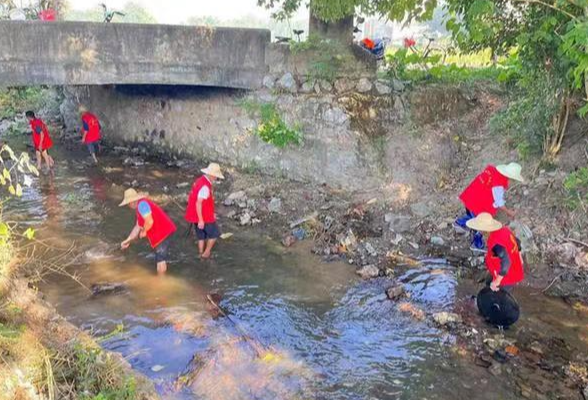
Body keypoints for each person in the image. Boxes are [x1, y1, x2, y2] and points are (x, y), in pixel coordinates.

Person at [455, 163, 524, 252]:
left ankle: (459, 223)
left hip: (470, 195)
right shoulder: (498, 183)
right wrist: (509, 212)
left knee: (471, 215)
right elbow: (499, 203)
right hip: (479, 203)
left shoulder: (492, 171)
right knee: (481, 224)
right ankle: (476, 244)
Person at [119, 188, 177, 274]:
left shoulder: (142, 205)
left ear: (131, 202)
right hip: (163, 232)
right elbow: (137, 226)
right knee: (160, 257)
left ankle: (161, 281)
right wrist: (128, 241)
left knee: (160, 259)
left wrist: (144, 231)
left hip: (163, 233)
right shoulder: (140, 205)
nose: (128, 206)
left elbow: (149, 221)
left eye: (128, 204)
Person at [466, 213, 524, 292]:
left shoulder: (496, 244)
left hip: (508, 276)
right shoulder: (504, 230)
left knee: (502, 295)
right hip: (515, 265)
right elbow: (518, 242)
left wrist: (497, 281)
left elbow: (506, 262)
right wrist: (520, 259)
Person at [185, 163, 224, 259]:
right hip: (203, 216)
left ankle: (200, 252)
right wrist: (201, 220)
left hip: (194, 214)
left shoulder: (200, 180)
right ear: (211, 175)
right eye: (215, 176)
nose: (216, 178)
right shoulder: (205, 187)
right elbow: (199, 203)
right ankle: (206, 253)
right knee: (214, 234)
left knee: (200, 236)